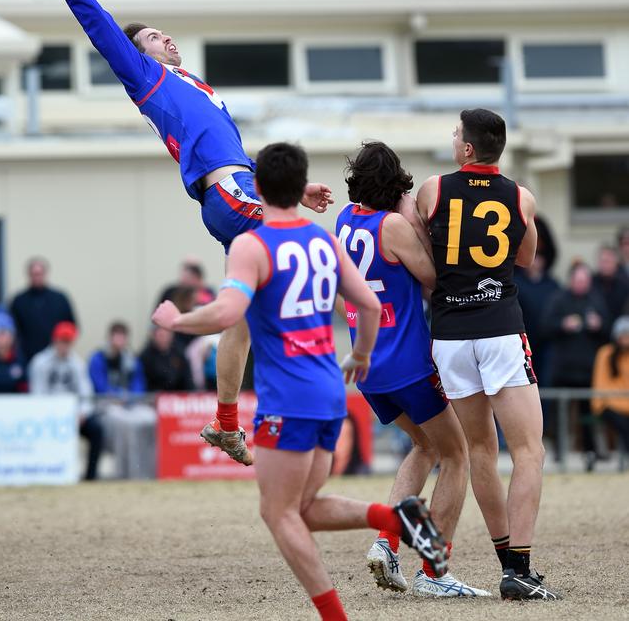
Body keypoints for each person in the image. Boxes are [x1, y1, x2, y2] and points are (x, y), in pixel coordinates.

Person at [19, 0, 332, 465]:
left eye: (162, 33)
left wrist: (296, 188)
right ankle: (316, 369)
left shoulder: (202, 90)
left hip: (235, 188)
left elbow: (236, 159)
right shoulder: (146, 79)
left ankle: (228, 420)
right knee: (301, 251)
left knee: (245, 314)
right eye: (151, 37)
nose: (164, 38)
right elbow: (98, 25)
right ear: (138, 55)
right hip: (227, 196)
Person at [152, 142, 448, 621]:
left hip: (287, 398)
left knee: (277, 513)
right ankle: (395, 519)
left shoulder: (252, 244)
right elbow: (369, 306)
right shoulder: (321, 239)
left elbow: (228, 312)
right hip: (330, 390)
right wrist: (361, 354)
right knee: (303, 508)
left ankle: (338, 611)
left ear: (256, 188)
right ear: (301, 186)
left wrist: (176, 321)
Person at [416, 108, 561, 601]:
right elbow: (525, 257)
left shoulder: (433, 189)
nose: (453, 139)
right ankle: (518, 569)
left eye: (457, 134)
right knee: (529, 451)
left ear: (469, 149)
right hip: (499, 329)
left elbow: (423, 243)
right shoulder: (522, 197)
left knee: (480, 449)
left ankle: (508, 563)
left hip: (450, 335)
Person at [336, 141, 489, 598]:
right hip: (406, 361)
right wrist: (417, 221)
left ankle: (385, 542)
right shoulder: (394, 226)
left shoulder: (343, 222)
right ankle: (435, 572)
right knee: (457, 453)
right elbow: (434, 278)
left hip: (369, 367)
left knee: (423, 445)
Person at [543, 261, 610, 469]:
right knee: (558, 415)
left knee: (588, 415)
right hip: (562, 369)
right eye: (578, 280)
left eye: (585, 280)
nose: (582, 284)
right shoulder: (558, 299)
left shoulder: (596, 300)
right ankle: (559, 452)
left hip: (588, 370)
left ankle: (590, 452)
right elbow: (544, 327)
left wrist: (598, 326)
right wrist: (562, 325)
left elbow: (609, 332)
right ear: (571, 280)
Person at [28, 321, 103, 481]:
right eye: (62, 340)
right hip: (47, 417)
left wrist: (82, 414)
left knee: (96, 429)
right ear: (54, 340)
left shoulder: (77, 363)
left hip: (73, 416)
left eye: (68, 341)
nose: (65, 345)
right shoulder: (40, 362)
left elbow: (86, 394)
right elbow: (37, 394)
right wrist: (52, 415)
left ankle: (91, 477)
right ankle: (43, 472)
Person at [88, 321, 156, 480]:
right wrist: (118, 396)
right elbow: (99, 386)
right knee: (125, 424)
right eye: (116, 337)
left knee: (150, 418)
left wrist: (130, 397)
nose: (119, 342)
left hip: (129, 403)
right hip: (106, 405)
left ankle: (149, 470)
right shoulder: (98, 358)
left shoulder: (130, 359)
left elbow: (138, 384)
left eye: (122, 338)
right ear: (109, 338)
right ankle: (125, 472)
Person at [9, 257, 77, 364]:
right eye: (34, 274)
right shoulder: (19, 301)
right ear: (28, 275)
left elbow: (71, 326)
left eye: (39, 273)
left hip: (57, 358)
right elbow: (13, 330)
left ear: (46, 274)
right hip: (27, 358)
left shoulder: (60, 299)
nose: (37, 277)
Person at [514, 253, 560, 386]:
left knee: (545, 380)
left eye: (538, 258)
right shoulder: (516, 283)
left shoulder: (552, 285)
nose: (535, 263)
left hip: (546, 343)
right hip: (523, 342)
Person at [591, 315, 629, 457]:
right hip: (609, 404)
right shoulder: (606, 353)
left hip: (625, 404)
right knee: (623, 426)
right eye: (623, 335)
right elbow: (600, 383)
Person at [139, 325, 195, 392]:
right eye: (160, 335)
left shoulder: (179, 352)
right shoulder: (146, 356)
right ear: (153, 336)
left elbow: (187, 378)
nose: (164, 338)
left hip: (178, 394)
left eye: (166, 334)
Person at [591, 244, 629, 326]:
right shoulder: (590, 282)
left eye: (608, 261)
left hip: (618, 327)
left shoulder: (624, 283)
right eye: (602, 261)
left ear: (615, 262)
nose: (605, 265)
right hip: (595, 329)